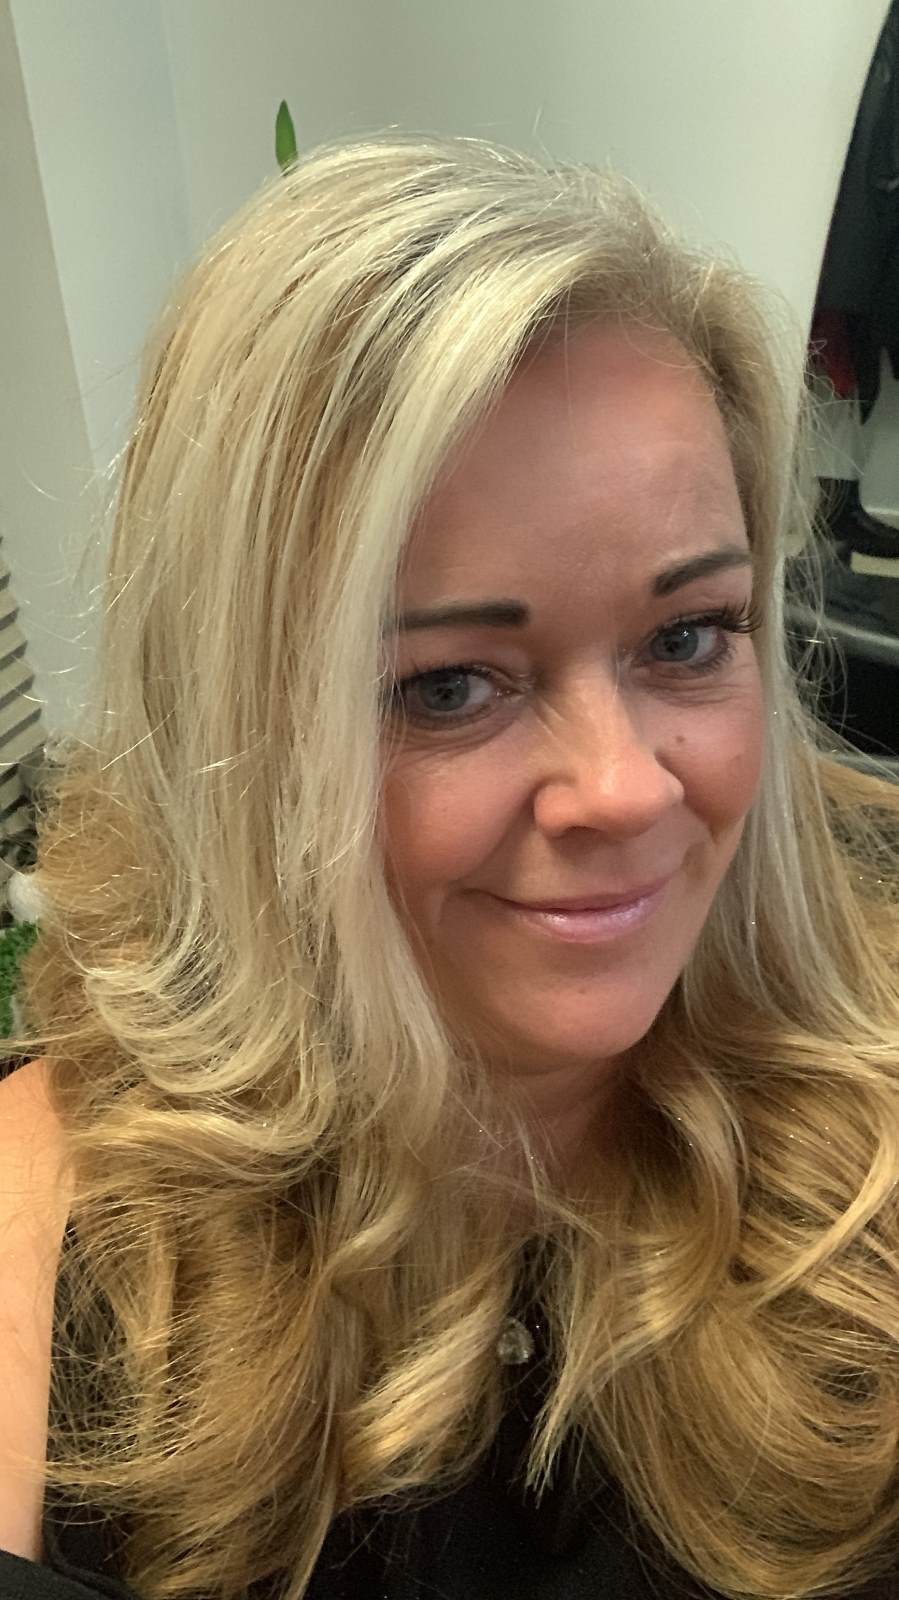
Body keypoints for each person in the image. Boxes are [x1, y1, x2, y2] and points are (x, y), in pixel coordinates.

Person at [1, 130, 898, 1600]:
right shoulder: (49, 1233)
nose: (624, 787)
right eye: (448, 686)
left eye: (687, 639)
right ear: (244, 736)